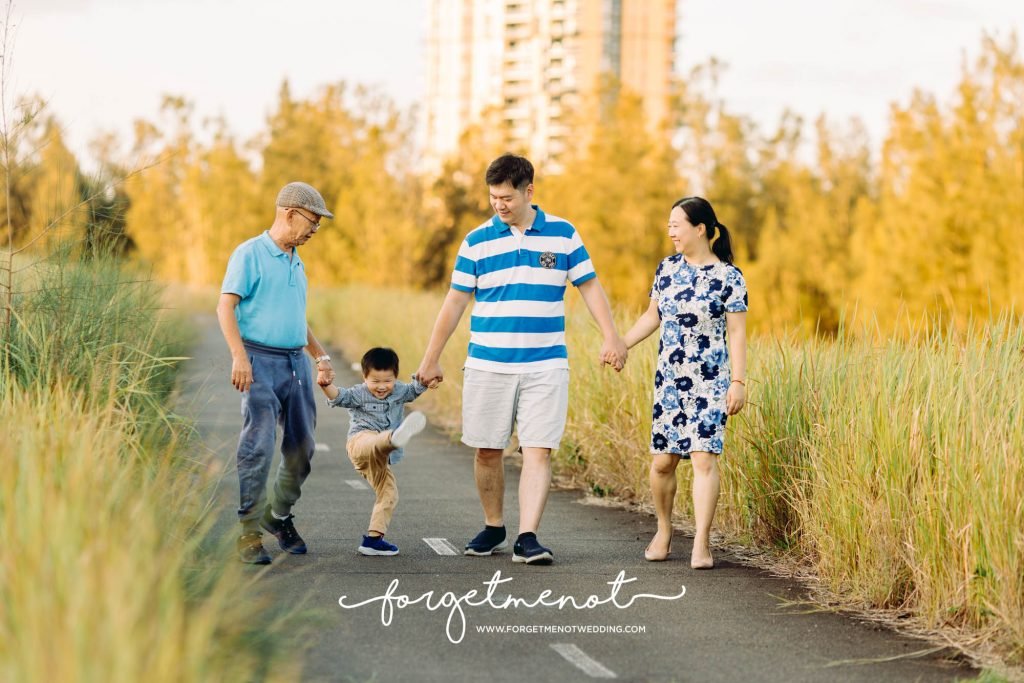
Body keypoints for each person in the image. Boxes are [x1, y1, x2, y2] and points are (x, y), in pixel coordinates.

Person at [415, 153, 627, 565]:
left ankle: (528, 536)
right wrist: (431, 358)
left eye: (507, 197)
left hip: (545, 364)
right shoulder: (476, 241)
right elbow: (455, 301)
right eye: (493, 197)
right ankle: (494, 525)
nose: (499, 205)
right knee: (487, 450)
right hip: (488, 364)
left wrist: (612, 336)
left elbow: (589, 287)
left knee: (538, 449)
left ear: (529, 191)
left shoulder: (563, 235)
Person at [621, 196, 748, 569]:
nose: (671, 231)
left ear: (701, 229)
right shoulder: (666, 269)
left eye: (677, 224)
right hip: (671, 381)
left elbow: (737, 334)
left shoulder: (730, 277)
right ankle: (664, 529)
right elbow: (651, 316)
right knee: (663, 463)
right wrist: (621, 344)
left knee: (704, 459)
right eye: (669, 224)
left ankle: (702, 543)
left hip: (711, 382)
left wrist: (738, 382)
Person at [216, 181, 337, 565]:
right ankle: (249, 532)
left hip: (295, 364)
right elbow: (225, 307)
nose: (315, 229)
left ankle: (278, 515)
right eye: (312, 222)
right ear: (289, 213)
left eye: (318, 224)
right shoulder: (250, 254)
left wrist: (319, 356)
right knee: (259, 444)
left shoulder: (296, 260)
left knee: (302, 448)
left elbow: (295, 319)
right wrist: (239, 356)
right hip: (259, 361)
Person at [321, 347, 429, 556]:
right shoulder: (358, 393)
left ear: (396, 377)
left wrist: (429, 378)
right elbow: (338, 396)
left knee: (389, 493)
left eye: (387, 381)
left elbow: (416, 388)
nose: (382, 387)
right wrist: (326, 385)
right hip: (361, 443)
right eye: (375, 381)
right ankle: (393, 437)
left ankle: (373, 540)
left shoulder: (399, 391)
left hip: (380, 460)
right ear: (364, 377)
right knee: (375, 440)